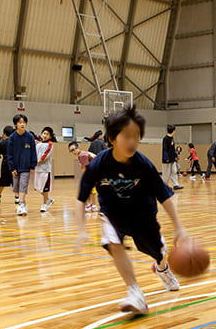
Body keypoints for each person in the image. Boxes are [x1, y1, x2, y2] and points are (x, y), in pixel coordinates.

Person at [75, 105, 187, 315]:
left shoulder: (143, 164)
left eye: (136, 136)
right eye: (127, 136)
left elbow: (165, 196)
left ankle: (161, 267)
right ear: (112, 138)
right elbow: (81, 198)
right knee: (113, 242)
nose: (133, 141)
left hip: (143, 215)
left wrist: (179, 227)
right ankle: (135, 292)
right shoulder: (98, 164)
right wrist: (81, 228)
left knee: (157, 252)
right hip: (113, 213)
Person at [6, 113, 37, 216]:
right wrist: (11, 168)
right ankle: (21, 202)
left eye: (24, 122)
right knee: (16, 187)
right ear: (16, 124)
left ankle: (22, 204)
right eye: (20, 123)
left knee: (23, 185)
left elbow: (33, 152)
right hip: (15, 167)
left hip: (26, 167)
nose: (22, 124)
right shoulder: (12, 138)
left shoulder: (30, 137)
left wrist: (33, 165)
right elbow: (9, 154)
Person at [68, 141, 98, 212]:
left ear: (78, 147)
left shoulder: (82, 155)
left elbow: (85, 169)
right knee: (89, 188)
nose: (73, 152)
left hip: (97, 171)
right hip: (94, 171)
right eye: (71, 151)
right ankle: (90, 205)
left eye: (74, 149)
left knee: (92, 189)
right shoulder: (81, 154)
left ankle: (94, 206)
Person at [35, 126, 56, 213]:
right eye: (44, 133)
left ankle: (44, 205)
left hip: (45, 169)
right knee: (38, 188)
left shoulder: (50, 144)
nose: (45, 135)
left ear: (50, 136)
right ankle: (49, 199)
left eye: (47, 134)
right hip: (37, 169)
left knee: (44, 188)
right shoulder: (38, 144)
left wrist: (39, 161)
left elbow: (46, 155)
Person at [0, 125, 15, 203]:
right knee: (15, 181)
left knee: (3, 181)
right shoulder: (15, 142)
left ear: (4, 133)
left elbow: (2, 152)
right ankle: (17, 197)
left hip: (5, 163)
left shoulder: (2, 143)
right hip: (14, 162)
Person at [161, 124, 182, 190]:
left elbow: (173, 149)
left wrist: (176, 155)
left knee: (174, 171)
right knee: (166, 174)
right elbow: (165, 149)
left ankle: (176, 185)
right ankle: (164, 186)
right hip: (167, 160)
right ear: (173, 131)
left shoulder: (172, 138)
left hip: (173, 159)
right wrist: (166, 158)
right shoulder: (165, 139)